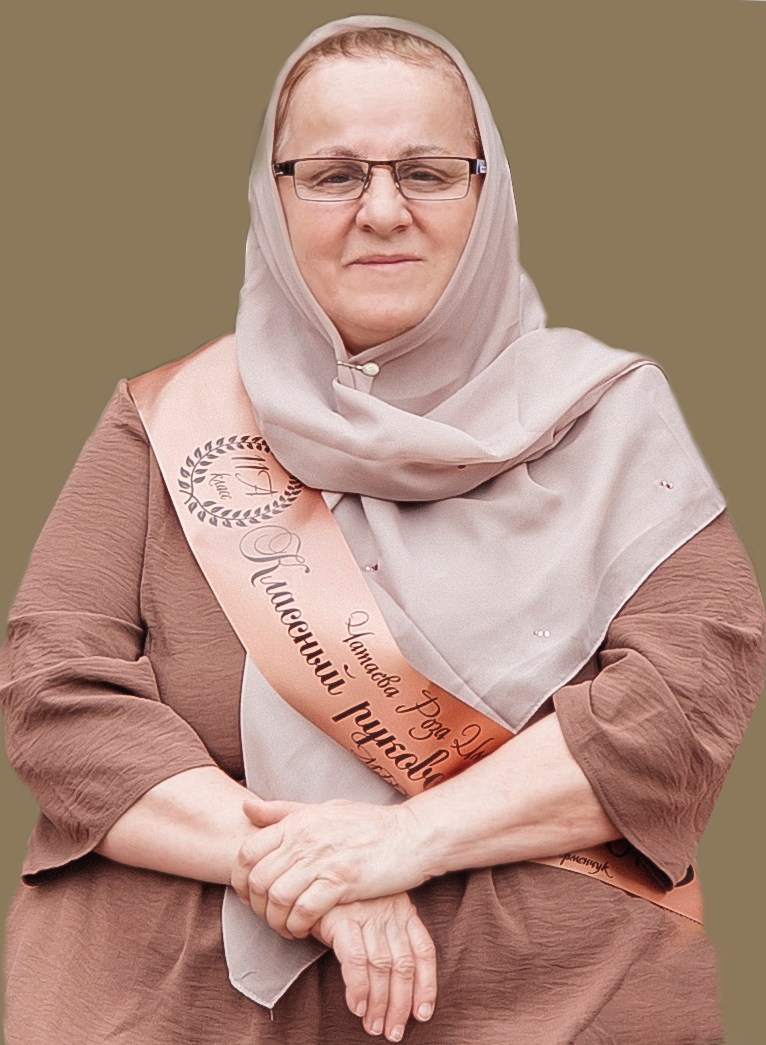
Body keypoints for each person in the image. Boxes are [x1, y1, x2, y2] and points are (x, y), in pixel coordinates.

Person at [1, 14, 763, 1045]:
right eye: (332, 175)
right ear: (272, 197)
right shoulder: (168, 419)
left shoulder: (611, 416)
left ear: (487, 193)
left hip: (556, 996)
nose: (383, 210)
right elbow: (55, 694)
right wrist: (312, 871)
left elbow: (686, 700)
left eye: (427, 172)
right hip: (175, 1002)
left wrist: (406, 840)